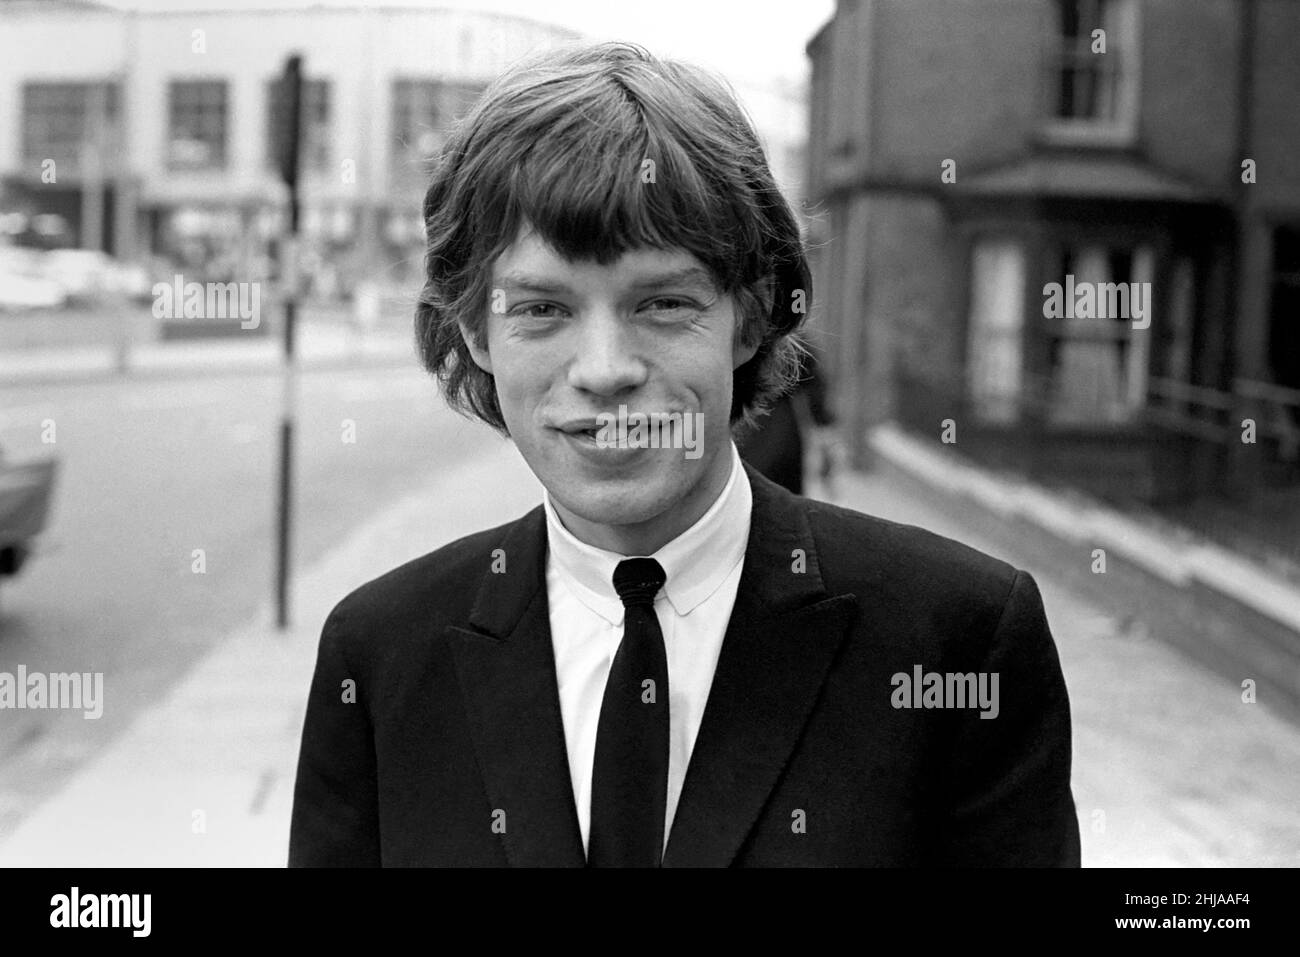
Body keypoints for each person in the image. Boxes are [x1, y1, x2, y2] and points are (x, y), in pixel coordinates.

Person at [288, 42, 1080, 867]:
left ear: (751, 313)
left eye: (662, 303)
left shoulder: (960, 640)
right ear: (472, 332)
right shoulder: (379, 657)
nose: (604, 371)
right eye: (542, 309)